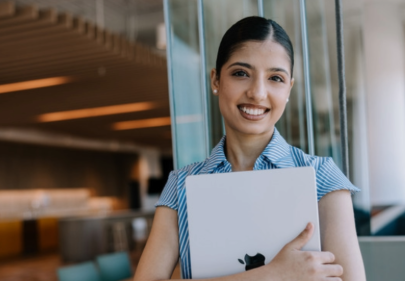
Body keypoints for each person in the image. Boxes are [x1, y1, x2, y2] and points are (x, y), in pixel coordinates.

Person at [134, 16, 366, 281]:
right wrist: (273, 275)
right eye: (241, 73)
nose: (257, 93)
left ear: (289, 88)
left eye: (275, 78)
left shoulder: (322, 176)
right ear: (216, 80)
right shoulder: (181, 186)